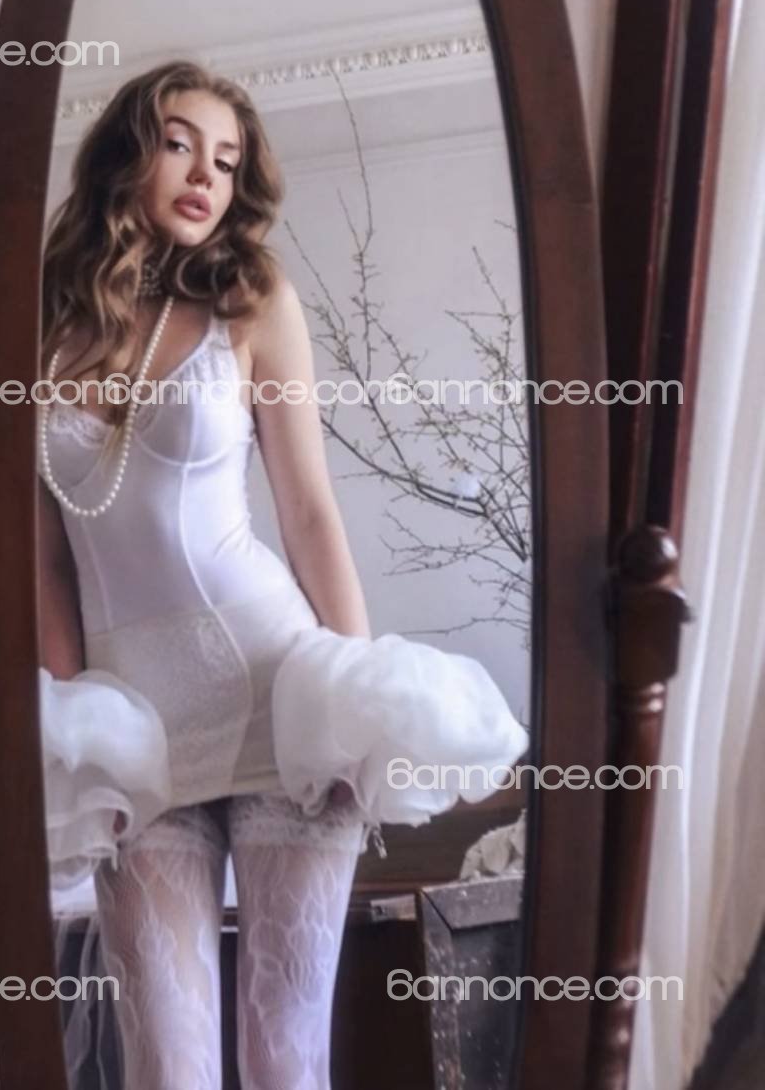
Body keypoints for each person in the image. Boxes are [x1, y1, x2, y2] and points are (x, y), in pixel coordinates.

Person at [35, 60, 527, 1089]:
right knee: (166, 1067)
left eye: (226, 160)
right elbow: (43, 556)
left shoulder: (250, 305)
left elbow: (308, 510)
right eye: (181, 145)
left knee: (283, 1053)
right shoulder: (38, 331)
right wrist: (72, 720)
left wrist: (358, 699)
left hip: (276, 698)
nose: (204, 176)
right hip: (137, 730)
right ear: (126, 154)